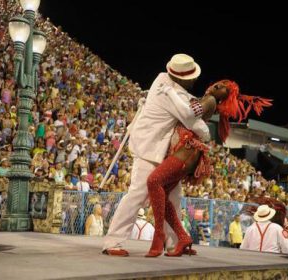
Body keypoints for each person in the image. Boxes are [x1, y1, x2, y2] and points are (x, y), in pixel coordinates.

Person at [145, 79, 272, 257]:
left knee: (153, 180)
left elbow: (189, 114)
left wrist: (169, 92)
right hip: (186, 151)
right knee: (161, 197)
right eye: (220, 84)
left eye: (224, 90)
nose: (218, 87)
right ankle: (182, 237)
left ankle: (159, 235)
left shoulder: (210, 101)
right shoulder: (204, 98)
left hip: (186, 150)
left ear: (223, 98)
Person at [102, 54, 211, 256]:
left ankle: (174, 243)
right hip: (148, 148)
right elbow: (191, 120)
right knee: (138, 193)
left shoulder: (162, 79)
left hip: (160, 151)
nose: (194, 80)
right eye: (191, 77)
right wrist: (207, 133)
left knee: (174, 196)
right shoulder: (171, 91)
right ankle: (112, 242)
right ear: (184, 78)